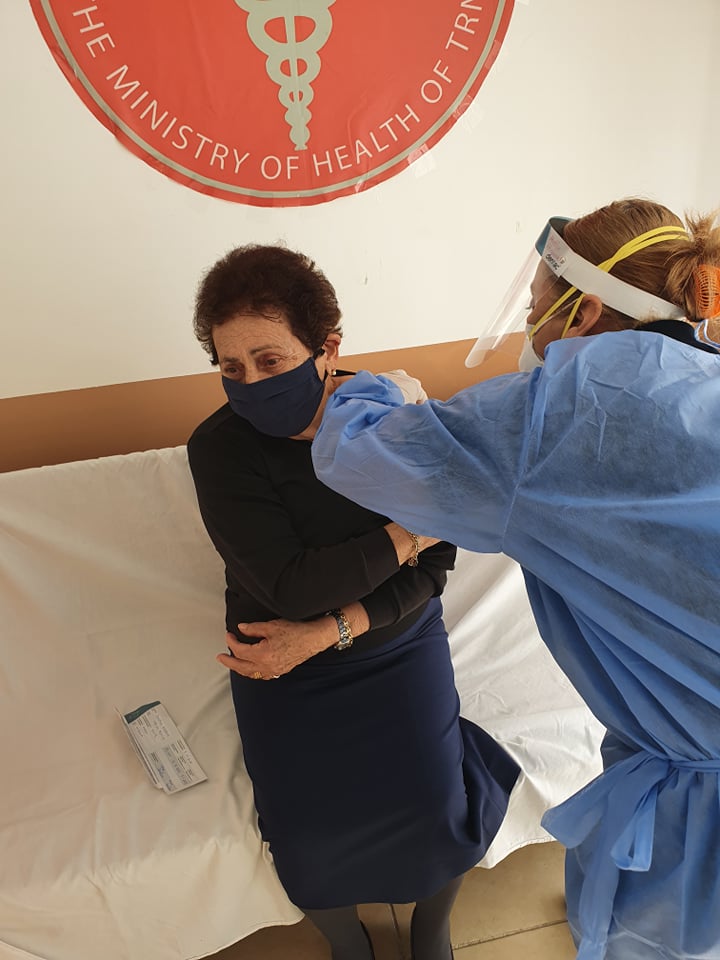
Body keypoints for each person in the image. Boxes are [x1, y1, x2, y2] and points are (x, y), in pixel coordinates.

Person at [311, 198, 720, 960]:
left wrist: (371, 389)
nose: (530, 322)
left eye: (536, 304)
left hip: (698, 804)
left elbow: (359, 456)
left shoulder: (559, 415)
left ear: (583, 310)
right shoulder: (704, 373)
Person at [185, 244, 520, 960]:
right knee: (304, 836)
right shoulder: (220, 449)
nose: (250, 383)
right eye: (230, 367)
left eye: (270, 361)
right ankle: (349, 943)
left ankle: (431, 929)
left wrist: (333, 627)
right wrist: (410, 531)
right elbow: (291, 587)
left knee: (437, 809)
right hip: (280, 660)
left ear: (327, 348)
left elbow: (437, 567)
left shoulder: (391, 416)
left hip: (393, 642)